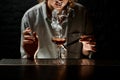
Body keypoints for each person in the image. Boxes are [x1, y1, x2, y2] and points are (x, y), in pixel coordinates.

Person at [20, 0, 96, 64]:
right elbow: (26, 62)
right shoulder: (30, 17)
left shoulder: (82, 13)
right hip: (43, 73)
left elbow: (88, 55)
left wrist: (86, 49)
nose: (60, 0)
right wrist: (31, 55)